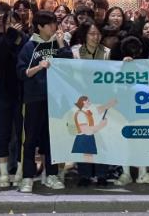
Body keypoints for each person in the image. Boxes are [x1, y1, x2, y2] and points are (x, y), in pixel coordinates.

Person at [58, 21, 113, 187]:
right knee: (84, 138)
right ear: (85, 35)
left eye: (98, 34)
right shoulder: (75, 52)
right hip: (82, 101)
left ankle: (102, 174)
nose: (95, 37)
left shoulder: (107, 52)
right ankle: (84, 174)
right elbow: (65, 71)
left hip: (101, 98)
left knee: (102, 137)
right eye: (91, 34)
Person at [17, 11, 66, 193]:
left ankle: (51, 175)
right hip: (34, 98)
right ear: (40, 26)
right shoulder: (29, 46)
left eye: (55, 23)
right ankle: (27, 177)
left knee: (53, 139)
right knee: (30, 139)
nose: (54, 27)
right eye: (50, 24)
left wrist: (61, 44)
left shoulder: (58, 43)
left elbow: (69, 64)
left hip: (56, 99)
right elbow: (21, 72)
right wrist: (39, 66)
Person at [0, 2, 28, 187]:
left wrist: (17, 36)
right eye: (8, 23)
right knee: (2, 133)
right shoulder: (1, 40)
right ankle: (3, 173)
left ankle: (20, 170)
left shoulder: (27, 41)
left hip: (22, 94)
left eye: (15, 22)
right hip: (3, 93)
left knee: (21, 134)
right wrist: (10, 35)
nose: (12, 26)